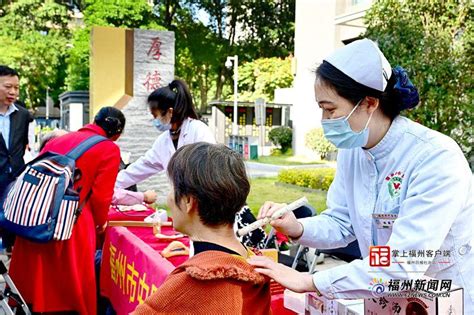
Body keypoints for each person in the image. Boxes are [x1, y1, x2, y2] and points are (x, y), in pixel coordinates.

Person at [247, 39, 473, 312]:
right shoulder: (354, 151)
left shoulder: (434, 158)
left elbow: (402, 263)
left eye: (330, 109)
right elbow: (343, 221)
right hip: (383, 294)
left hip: (446, 296)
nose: (324, 120)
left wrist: (310, 281)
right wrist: (298, 228)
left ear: (369, 103)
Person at [9, 106, 126, 315]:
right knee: (69, 281)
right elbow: (101, 197)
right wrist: (100, 225)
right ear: (117, 133)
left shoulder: (59, 139)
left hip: (38, 214)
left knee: (37, 274)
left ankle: (32, 305)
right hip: (72, 221)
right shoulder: (109, 148)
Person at [133, 142, 271, 315]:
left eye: (172, 188)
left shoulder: (194, 282)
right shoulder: (252, 262)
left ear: (188, 201)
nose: (168, 198)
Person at [115, 79, 215, 190]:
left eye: (155, 116)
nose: (154, 121)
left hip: (203, 197)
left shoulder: (198, 130)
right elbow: (143, 166)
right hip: (180, 199)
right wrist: (112, 184)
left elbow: (209, 167)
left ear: (170, 112)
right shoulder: (163, 141)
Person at [0, 66, 30, 198]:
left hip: (16, 182)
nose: (13, 92)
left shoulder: (23, 115)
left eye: (16, 88)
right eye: (8, 86)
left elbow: (21, 145)